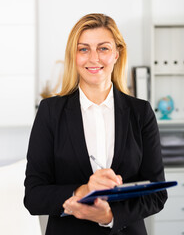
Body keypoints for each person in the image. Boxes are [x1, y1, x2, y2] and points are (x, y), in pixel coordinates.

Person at [24, 13, 167, 235]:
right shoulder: (50, 112)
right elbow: (33, 196)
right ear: (74, 55)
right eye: (84, 49)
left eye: (103, 48)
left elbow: (157, 195)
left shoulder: (141, 112)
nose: (93, 58)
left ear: (117, 54)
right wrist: (83, 191)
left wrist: (110, 217)